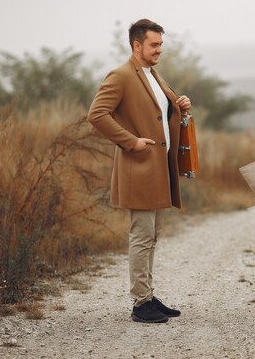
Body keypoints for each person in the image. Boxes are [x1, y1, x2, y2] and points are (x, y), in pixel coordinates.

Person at [88, 18, 192, 324]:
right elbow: (96, 114)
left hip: (159, 169)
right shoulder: (120, 76)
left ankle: (147, 295)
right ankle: (140, 302)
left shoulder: (152, 75)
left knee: (153, 234)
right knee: (142, 235)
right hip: (139, 167)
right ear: (137, 45)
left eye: (161, 44)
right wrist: (130, 141)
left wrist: (180, 105)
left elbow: (160, 114)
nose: (159, 50)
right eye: (154, 45)